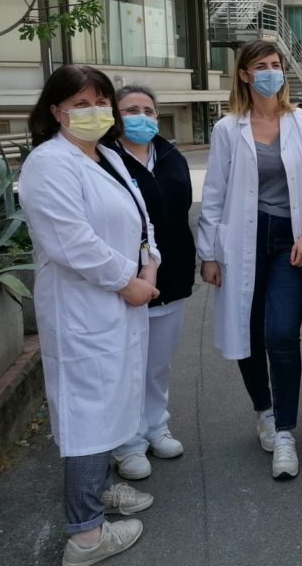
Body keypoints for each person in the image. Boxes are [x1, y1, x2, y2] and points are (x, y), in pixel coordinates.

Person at [20, 65, 159, 566]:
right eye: (80, 104)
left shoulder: (106, 155)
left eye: (100, 101)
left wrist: (150, 261)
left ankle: (98, 491)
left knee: (113, 403)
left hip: (119, 303)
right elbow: (71, 241)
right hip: (83, 309)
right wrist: (127, 280)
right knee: (88, 415)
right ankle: (86, 536)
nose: (94, 111)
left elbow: (140, 217)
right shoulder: (48, 164)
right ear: (56, 111)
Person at [197, 40, 302, 480]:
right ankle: (266, 413)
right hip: (242, 240)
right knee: (248, 332)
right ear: (244, 75)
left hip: (289, 242)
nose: (272, 72)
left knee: (281, 334)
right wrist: (208, 254)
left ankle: (286, 434)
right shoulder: (228, 129)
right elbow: (214, 193)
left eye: (276, 64)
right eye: (262, 66)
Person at [106, 85, 196, 481]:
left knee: (158, 363)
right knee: (128, 364)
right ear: (115, 116)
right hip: (126, 277)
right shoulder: (105, 159)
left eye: (148, 110)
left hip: (171, 273)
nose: (140, 117)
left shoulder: (171, 156)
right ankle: (127, 443)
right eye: (130, 110)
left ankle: (156, 426)